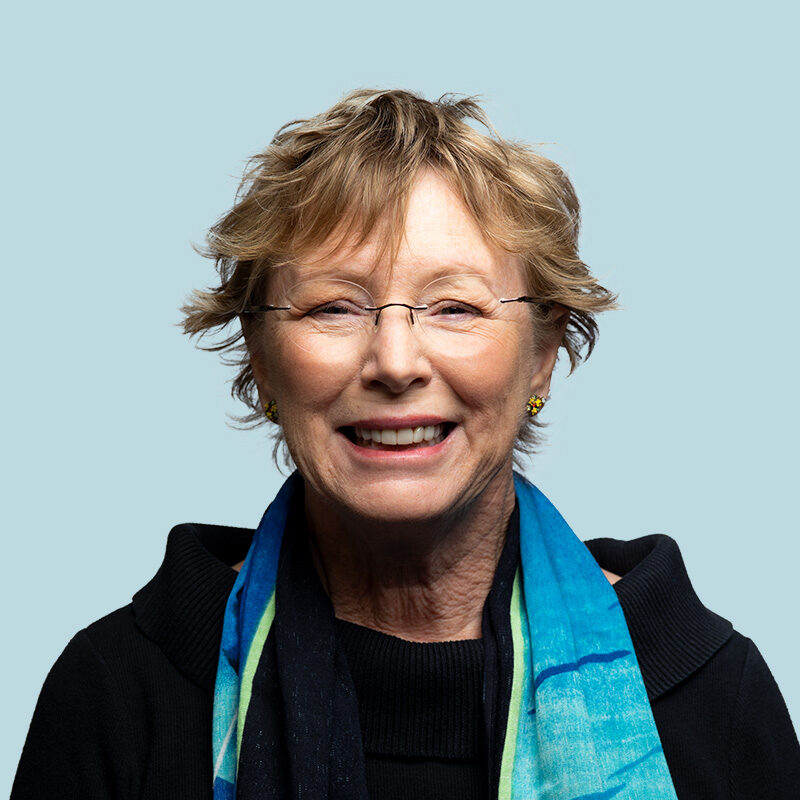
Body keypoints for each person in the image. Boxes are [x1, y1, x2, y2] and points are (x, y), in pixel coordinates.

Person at [11, 88, 800, 800]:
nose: (394, 362)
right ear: (259, 356)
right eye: (333, 308)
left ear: (544, 353)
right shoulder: (120, 688)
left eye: (454, 307)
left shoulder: (708, 694)